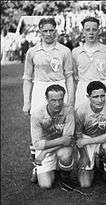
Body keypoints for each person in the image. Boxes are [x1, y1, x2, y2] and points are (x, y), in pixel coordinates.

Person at [22, 18, 75, 183]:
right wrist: (27, 101)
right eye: (45, 31)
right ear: (40, 31)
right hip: (39, 89)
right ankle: (37, 166)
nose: (48, 34)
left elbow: (69, 76)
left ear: (56, 30)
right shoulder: (32, 51)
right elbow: (27, 78)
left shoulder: (65, 51)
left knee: (59, 127)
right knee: (38, 129)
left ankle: (60, 163)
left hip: (59, 89)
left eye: (51, 30)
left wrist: (71, 99)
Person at [30, 84, 75, 189]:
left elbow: (68, 140)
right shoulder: (37, 114)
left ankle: (65, 179)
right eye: (53, 100)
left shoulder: (69, 110)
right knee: (46, 185)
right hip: (45, 146)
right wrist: (61, 140)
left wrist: (45, 152)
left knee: (66, 154)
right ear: (46, 99)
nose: (58, 104)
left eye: (60, 99)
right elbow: (37, 144)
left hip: (56, 148)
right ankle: (39, 168)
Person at [75, 81, 106, 190]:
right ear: (88, 97)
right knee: (85, 184)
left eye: (102, 96)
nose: (100, 100)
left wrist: (86, 142)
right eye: (96, 97)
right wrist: (83, 155)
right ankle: (94, 167)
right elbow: (78, 136)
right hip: (86, 138)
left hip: (103, 139)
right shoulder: (81, 110)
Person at [72, 17, 106, 109]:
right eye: (87, 29)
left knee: (103, 118)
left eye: (94, 29)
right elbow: (74, 75)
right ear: (83, 31)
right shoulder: (75, 52)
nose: (91, 32)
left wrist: (103, 83)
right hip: (83, 89)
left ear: (98, 31)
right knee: (82, 119)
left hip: (101, 89)